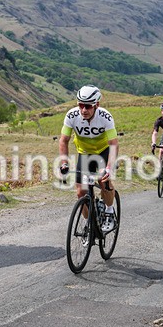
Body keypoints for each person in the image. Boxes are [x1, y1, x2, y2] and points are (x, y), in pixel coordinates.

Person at [59, 85, 119, 233]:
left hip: (103, 151)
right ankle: (90, 224)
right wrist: (64, 163)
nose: (84, 110)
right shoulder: (72, 116)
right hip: (85, 153)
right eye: (81, 105)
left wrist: (109, 168)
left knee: (103, 180)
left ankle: (109, 211)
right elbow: (63, 140)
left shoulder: (105, 117)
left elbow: (114, 144)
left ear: (96, 105)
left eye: (88, 106)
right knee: (81, 193)